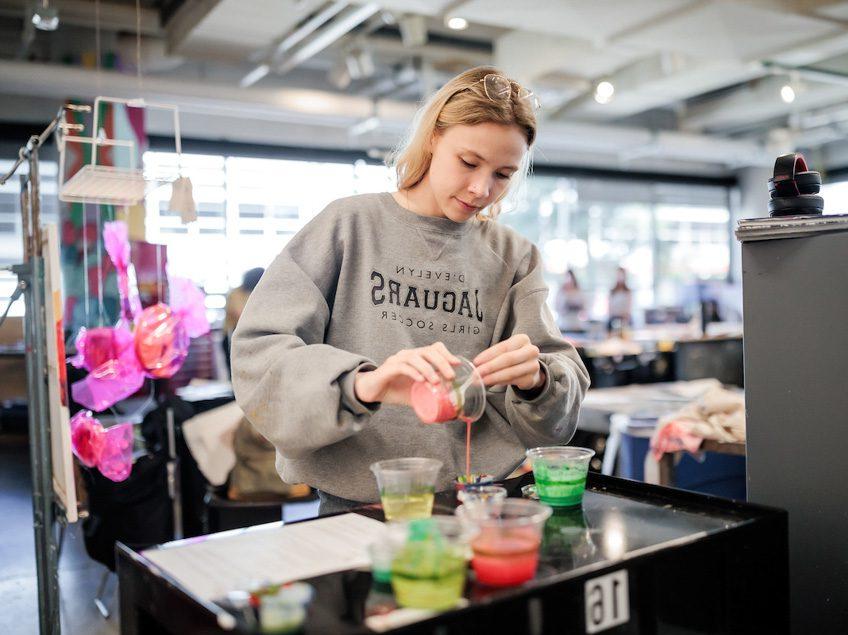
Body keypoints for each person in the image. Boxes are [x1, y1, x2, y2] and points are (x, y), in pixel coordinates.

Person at [232, 67, 590, 515]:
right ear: (433, 138)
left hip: (480, 505)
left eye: (503, 173)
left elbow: (561, 408)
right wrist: (365, 384)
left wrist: (537, 380)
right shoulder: (348, 226)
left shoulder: (514, 256)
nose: (482, 189)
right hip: (355, 509)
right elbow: (259, 357)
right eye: (468, 162)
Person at [222, 267, 264, 375]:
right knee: (235, 372)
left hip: (251, 337)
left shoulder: (257, 292)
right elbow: (241, 314)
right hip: (232, 336)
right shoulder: (236, 294)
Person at [608, 266, 632, 331]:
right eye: (618, 275)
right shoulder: (612, 292)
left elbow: (628, 307)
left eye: (622, 275)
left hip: (625, 318)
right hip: (614, 317)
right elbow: (610, 308)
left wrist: (625, 316)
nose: (620, 277)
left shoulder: (628, 292)